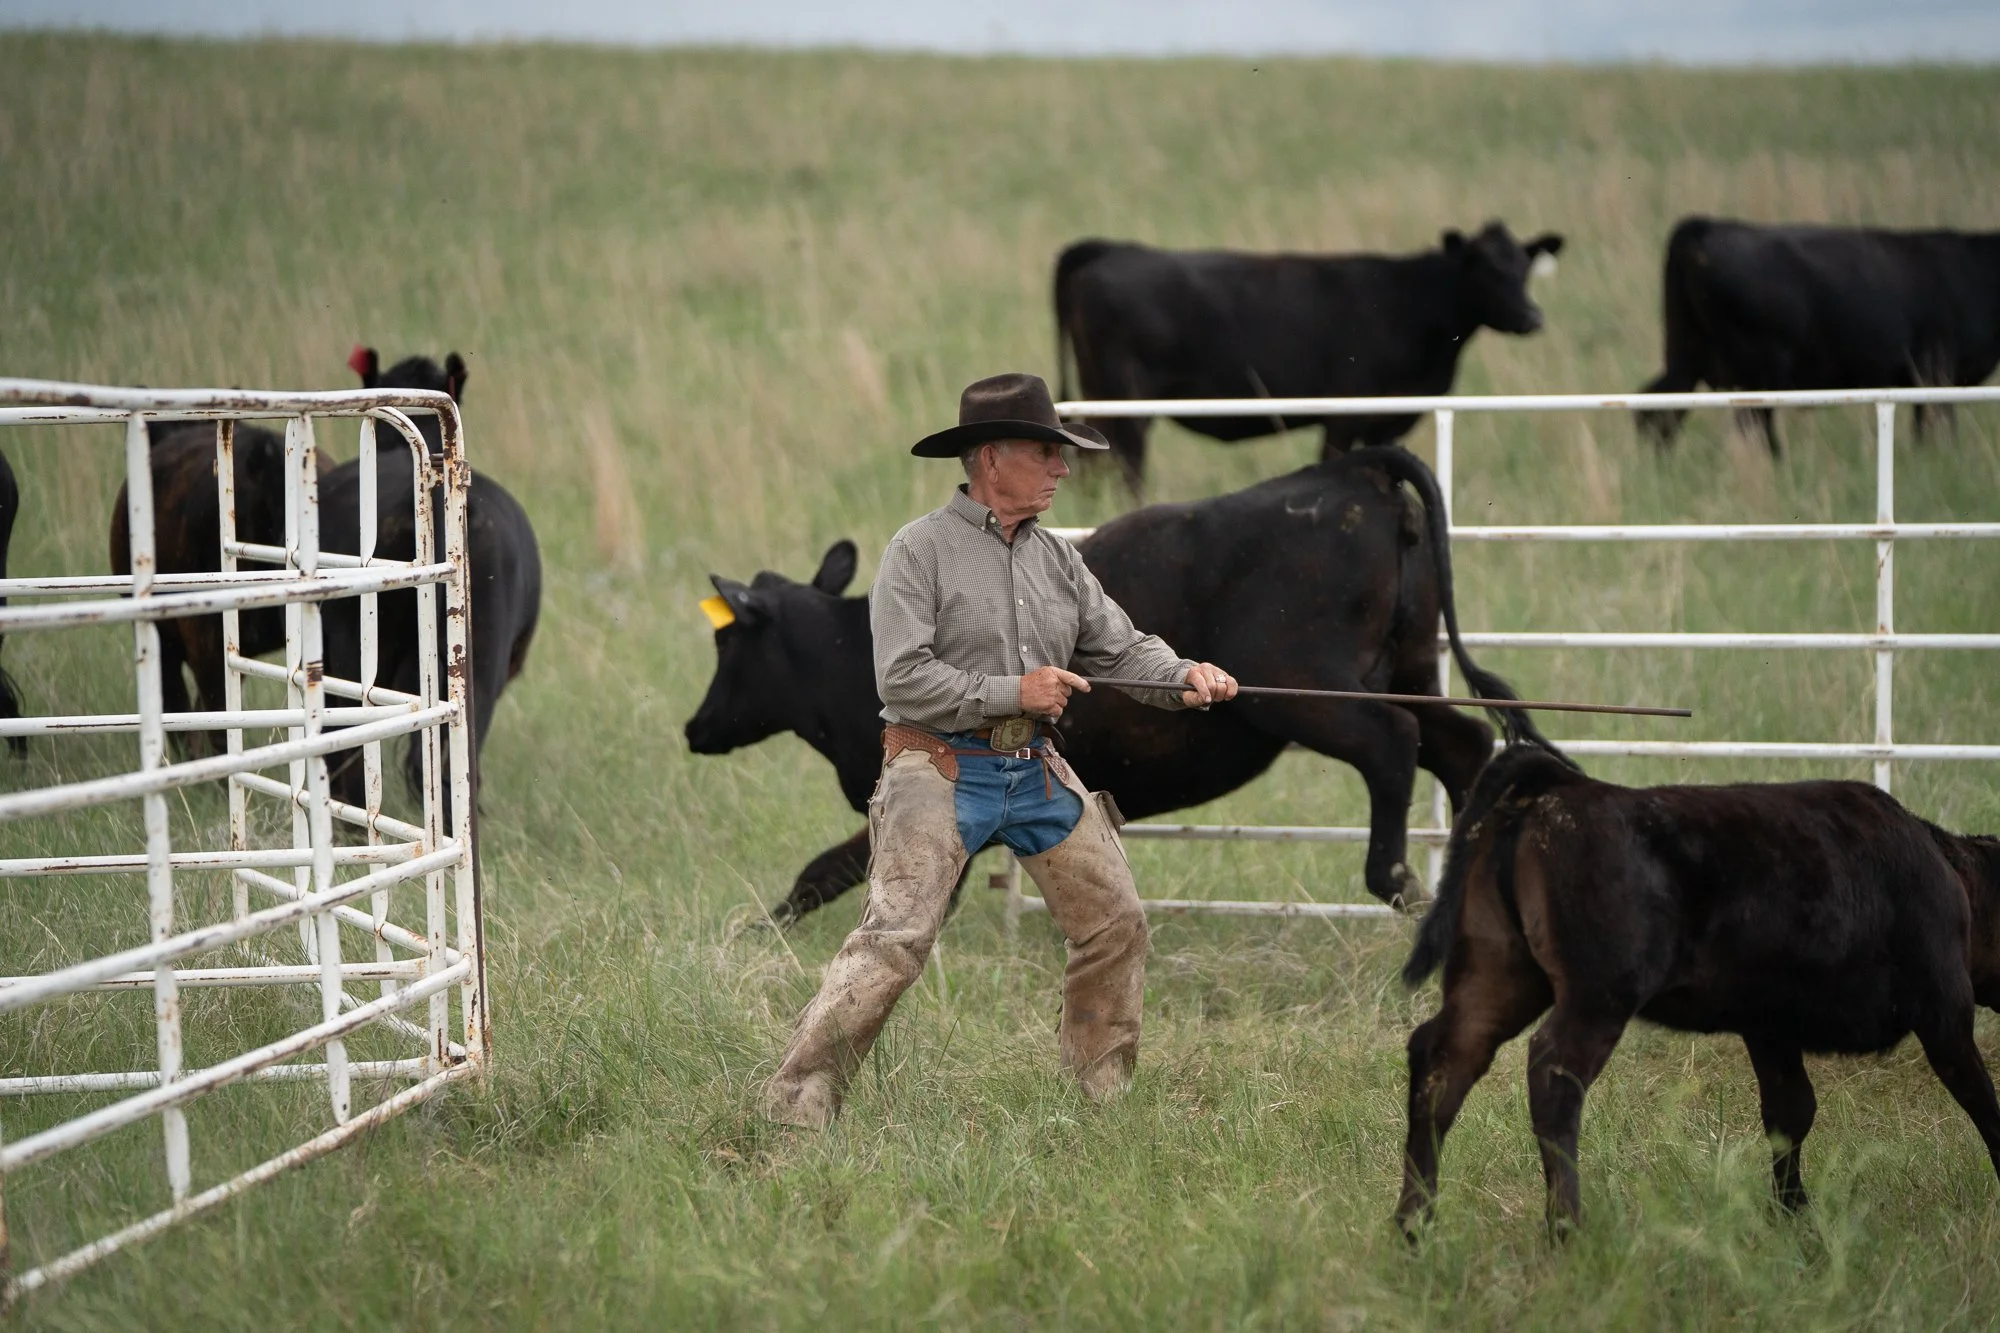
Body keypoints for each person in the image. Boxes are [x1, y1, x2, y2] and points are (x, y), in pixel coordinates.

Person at [762, 372, 1238, 1128]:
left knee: (1117, 923)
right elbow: (902, 678)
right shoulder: (917, 552)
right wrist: (1016, 692)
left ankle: (1100, 1100)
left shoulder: (1059, 561)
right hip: (934, 766)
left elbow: (1119, 649)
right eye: (1046, 452)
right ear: (990, 458)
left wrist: (1184, 676)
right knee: (896, 940)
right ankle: (795, 1106)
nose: (1063, 467)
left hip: (1032, 771)